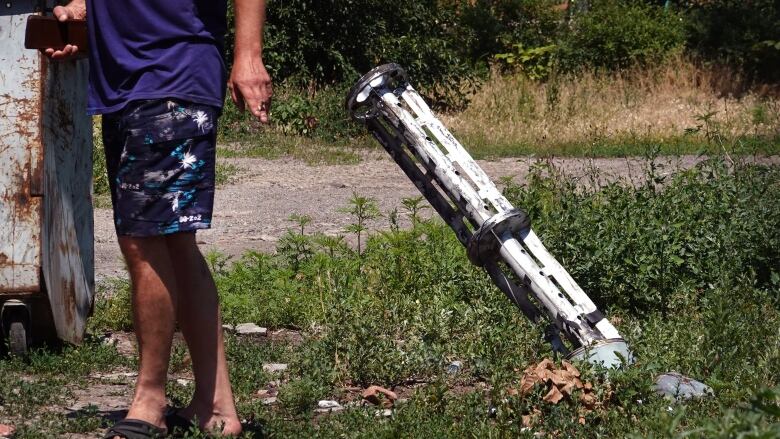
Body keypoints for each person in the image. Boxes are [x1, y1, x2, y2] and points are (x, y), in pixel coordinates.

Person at [44, 1, 273, 437]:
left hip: (170, 73)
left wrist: (249, 54)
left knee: (143, 242)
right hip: (131, 79)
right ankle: (215, 406)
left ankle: (150, 398)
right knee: (172, 241)